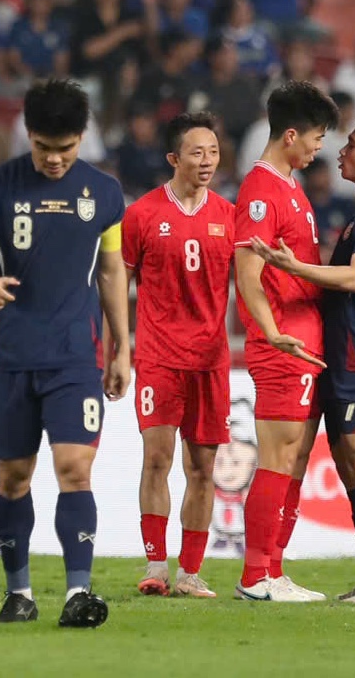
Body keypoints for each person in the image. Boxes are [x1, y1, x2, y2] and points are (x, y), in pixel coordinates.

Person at [0, 79, 130, 627]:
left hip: (76, 354)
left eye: (65, 148)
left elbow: (111, 268)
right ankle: (19, 592)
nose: (54, 159)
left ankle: (79, 593)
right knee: (14, 478)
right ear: (27, 136)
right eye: (44, 148)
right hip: (9, 353)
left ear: (82, 137)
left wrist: (122, 345)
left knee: (75, 468)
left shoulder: (103, 193)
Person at [251, 105, 355, 604]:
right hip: (348, 356)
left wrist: (294, 267)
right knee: (350, 465)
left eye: (354, 144)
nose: (343, 150)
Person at [233, 80, 339, 601]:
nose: (320, 149)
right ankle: (255, 576)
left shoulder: (290, 186)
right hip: (283, 343)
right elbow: (246, 273)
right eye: (317, 138)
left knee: (293, 457)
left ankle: (273, 570)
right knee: (277, 455)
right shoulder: (260, 191)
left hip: (304, 338)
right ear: (291, 133)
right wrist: (273, 333)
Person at [122, 112, 234, 599]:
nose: (206, 161)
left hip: (210, 360)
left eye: (212, 152)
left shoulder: (228, 217)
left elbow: (248, 285)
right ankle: (155, 566)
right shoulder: (142, 214)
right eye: (197, 152)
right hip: (158, 355)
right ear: (174, 158)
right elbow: (115, 284)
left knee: (203, 469)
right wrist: (116, 345)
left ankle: (190, 572)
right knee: (156, 460)